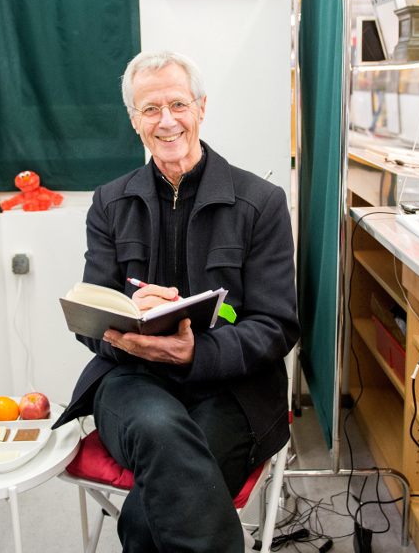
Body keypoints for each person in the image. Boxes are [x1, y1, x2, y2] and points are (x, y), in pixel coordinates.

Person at [52, 50, 300, 552]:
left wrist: (195, 354)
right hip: (131, 384)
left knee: (149, 516)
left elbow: (277, 326)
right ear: (134, 120)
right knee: (162, 431)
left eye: (178, 105)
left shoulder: (262, 204)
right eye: (150, 109)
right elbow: (88, 317)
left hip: (236, 389)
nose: (166, 121)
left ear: (201, 108)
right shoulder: (108, 204)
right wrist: (130, 327)